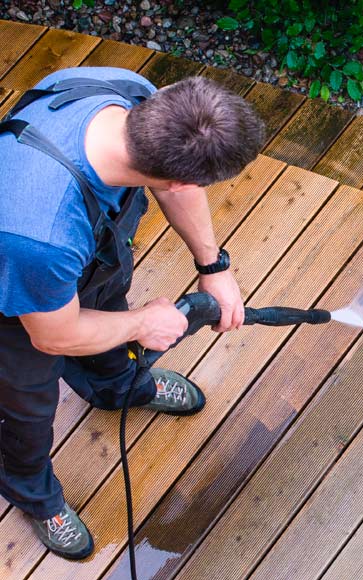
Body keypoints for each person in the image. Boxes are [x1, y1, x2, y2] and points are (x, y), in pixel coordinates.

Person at [0, 66, 265, 560]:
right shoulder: (42, 232)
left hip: (86, 260)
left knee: (110, 326)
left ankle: (116, 387)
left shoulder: (131, 95)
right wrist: (144, 323)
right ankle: (31, 490)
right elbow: (54, 335)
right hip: (17, 303)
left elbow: (176, 186)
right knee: (27, 410)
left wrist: (214, 266)